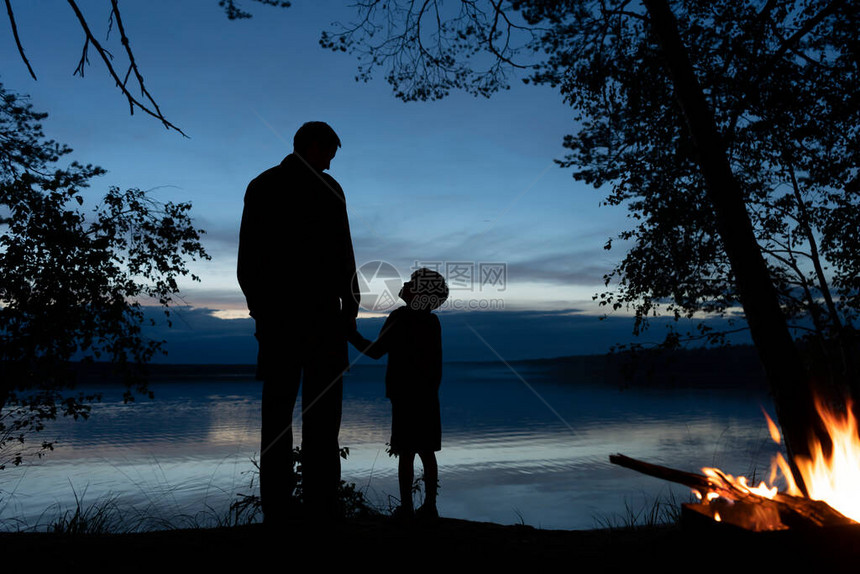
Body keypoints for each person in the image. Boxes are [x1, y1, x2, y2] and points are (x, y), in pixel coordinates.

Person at [237, 121, 359, 523]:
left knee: (282, 417)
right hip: (309, 319)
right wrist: (350, 306)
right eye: (328, 155)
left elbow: (248, 263)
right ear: (312, 147)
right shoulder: (283, 187)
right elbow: (345, 255)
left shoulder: (265, 185)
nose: (330, 164)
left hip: (290, 321)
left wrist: (261, 312)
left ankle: (284, 510)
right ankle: (317, 508)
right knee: (313, 419)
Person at [349, 268, 448, 520]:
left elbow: (375, 351)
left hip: (405, 394)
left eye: (412, 282)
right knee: (426, 451)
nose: (405, 283)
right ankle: (430, 507)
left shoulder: (401, 317)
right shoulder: (432, 321)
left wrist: (350, 333)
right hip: (426, 394)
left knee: (406, 452)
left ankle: (407, 508)